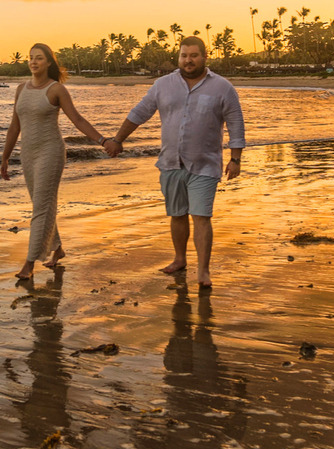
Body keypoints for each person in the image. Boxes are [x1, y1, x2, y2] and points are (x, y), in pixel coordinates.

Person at [105, 36, 245, 288]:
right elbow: (139, 113)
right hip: (170, 163)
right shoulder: (163, 85)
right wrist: (117, 139)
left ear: (204, 57)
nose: (188, 60)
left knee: (201, 215)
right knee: (177, 214)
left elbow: (236, 124)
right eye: (184, 55)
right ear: (178, 57)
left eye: (193, 55)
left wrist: (236, 159)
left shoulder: (222, 87)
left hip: (205, 164)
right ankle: (180, 259)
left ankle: (203, 271)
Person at [1, 43, 111, 280]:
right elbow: (14, 126)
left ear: (49, 62)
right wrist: (5, 156)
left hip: (50, 153)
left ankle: (29, 264)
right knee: (43, 205)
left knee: (41, 206)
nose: (33, 62)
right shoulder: (21, 89)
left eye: (39, 58)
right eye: (31, 58)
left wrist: (102, 140)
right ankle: (58, 249)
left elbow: (78, 120)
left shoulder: (56, 90)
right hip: (28, 154)